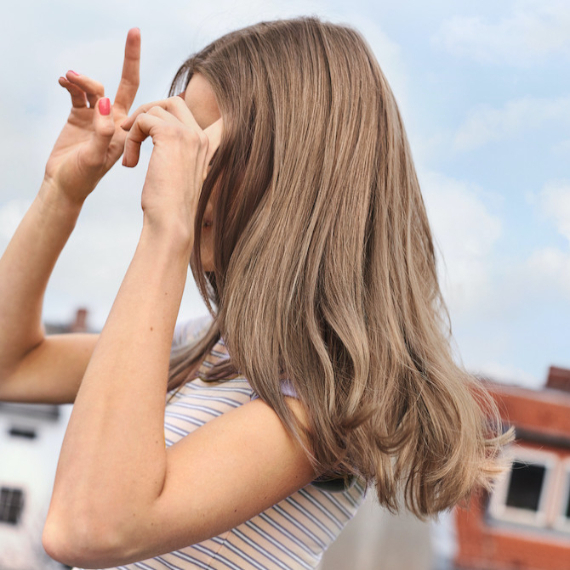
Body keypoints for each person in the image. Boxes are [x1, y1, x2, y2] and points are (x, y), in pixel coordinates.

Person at [0, 17, 513, 570]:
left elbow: (90, 526)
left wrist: (166, 228)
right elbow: (13, 366)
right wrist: (62, 190)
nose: (189, 171)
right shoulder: (207, 349)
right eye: (182, 144)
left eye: (210, 148)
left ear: (302, 175)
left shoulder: (327, 401)